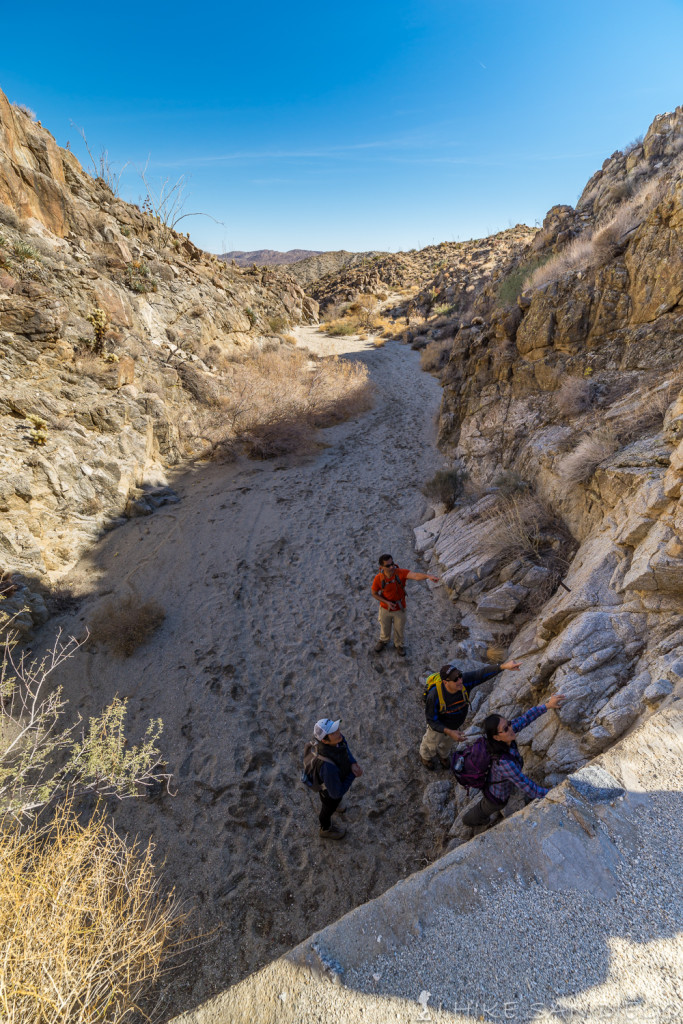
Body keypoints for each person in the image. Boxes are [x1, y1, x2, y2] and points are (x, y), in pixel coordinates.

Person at [461, 694, 566, 826]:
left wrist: (548, 705)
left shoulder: (505, 736)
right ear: (496, 737)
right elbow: (529, 788)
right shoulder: (504, 763)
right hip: (497, 798)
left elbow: (525, 718)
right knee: (484, 809)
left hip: (497, 783)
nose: (510, 728)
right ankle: (469, 821)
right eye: (505, 729)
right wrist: (556, 794)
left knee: (486, 804)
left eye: (508, 724)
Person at [420, 659, 521, 770]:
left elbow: (481, 674)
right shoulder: (434, 696)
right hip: (438, 727)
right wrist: (449, 731)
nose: (460, 680)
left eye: (460, 676)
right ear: (445, 682)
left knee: (447, 744)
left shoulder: (464, 683)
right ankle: (426, 757)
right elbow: (431, 720)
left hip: (454, 726)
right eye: (455, 679)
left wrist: (504, 666)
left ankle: (443, 756)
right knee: (431, 744)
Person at [371, 553, 439, 657]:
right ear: (381, 567)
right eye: (388, 566)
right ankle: (383, 641)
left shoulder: (400, 573)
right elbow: (374, 593)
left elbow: (415, 575)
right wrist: (387, 602)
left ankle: (399, 645)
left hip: (399, 608)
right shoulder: (378, 579)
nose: (392, 567)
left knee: (399, 628)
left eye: (392, 564)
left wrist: (427, 576)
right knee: (384, 627)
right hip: (385, 608)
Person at [313, 718, 363, 840]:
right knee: (328, 808)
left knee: (336, 801)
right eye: (333, 732)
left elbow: (345, 748)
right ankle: (325, 829)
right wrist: (353, 774)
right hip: (329, 793)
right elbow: (335, 793)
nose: (338, 731)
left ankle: (336, 807)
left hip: (336, 780)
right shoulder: (327, 767)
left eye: (336, 728)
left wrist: (352, 762)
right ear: (324, 740)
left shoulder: (338, 740)